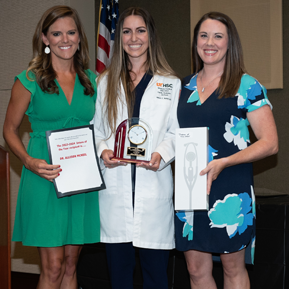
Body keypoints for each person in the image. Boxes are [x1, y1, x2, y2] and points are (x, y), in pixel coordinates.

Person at [175, 12, 278, 289]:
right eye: (203, 35)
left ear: (230, 43)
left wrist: (224, 162)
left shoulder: (247, 85)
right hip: (190, 188)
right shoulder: (181, 87)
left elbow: (270, 143)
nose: (210, 42)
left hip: (231, 187)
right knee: (195, 270)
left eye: (218, 36)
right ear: (196, 42)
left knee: (233, 269)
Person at [3, 6, 100, 289]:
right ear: (45, 38)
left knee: (71, 265)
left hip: (81, 181)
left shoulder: (91, 80)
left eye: (71, 32)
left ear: (80, 37)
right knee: (53, 267)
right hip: (44, 176)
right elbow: (8, 130)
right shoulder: (29, 80)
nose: (65, 39)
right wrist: (28, 161)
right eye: (56, 33)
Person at [92, 7, 181, 289]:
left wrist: (161, 155)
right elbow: (98, 130)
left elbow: (177, 132)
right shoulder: (105, 82)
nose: (133, 38)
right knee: (119, 278)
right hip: (116, 192)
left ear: (150, 36)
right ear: (119, 38)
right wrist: (104, 151)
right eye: (126, 31)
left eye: (140, 30)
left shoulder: (171, 83)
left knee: (156, 277)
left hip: (153, 188)